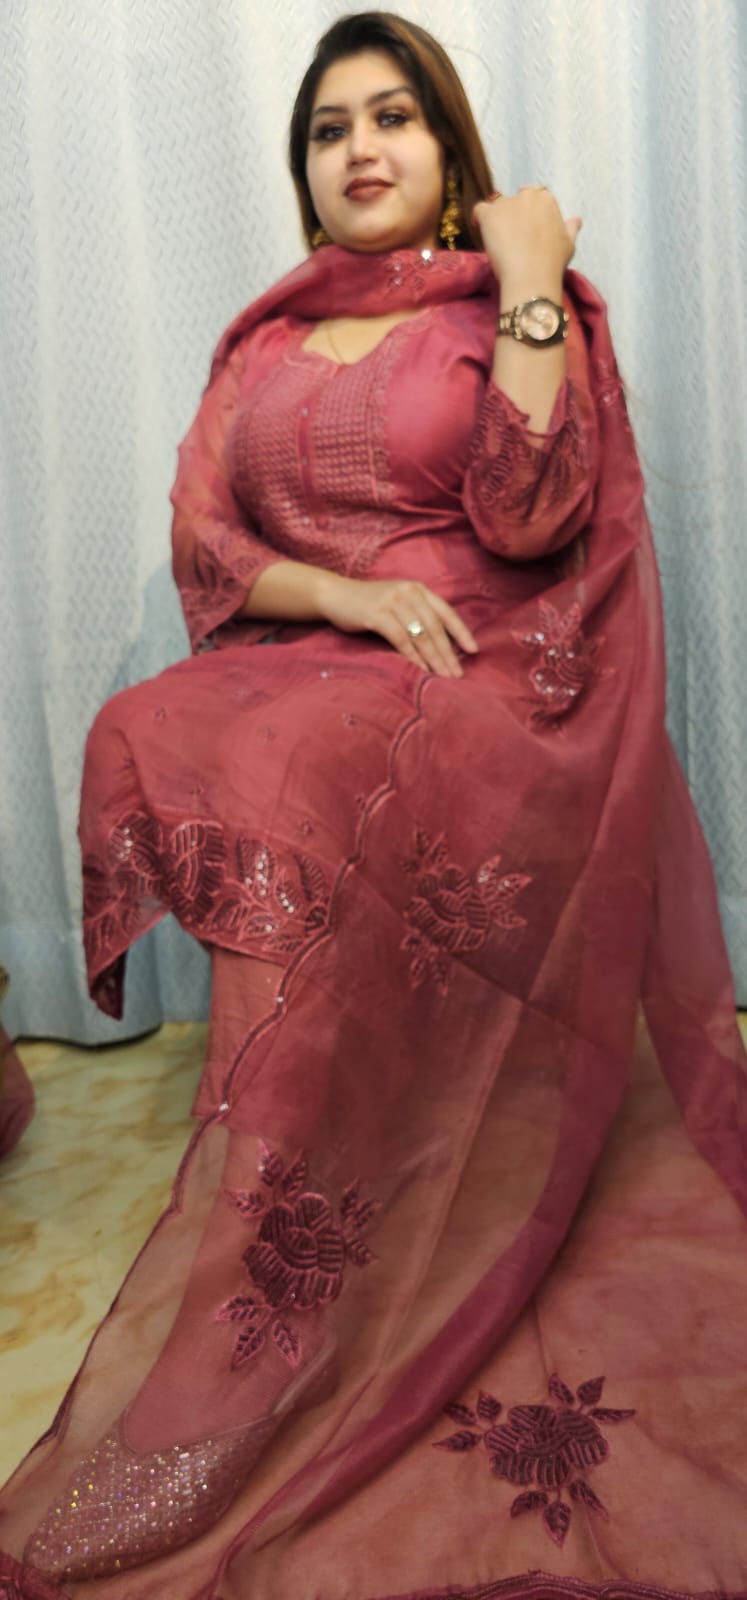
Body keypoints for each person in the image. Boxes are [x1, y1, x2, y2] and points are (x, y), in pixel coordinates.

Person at [2, 12, 746, 1598]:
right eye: (330, 126)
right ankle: (300, 1169)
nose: (360, 147)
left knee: (299, 769)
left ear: (448, 146)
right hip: (320, 654)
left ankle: (301, 1208)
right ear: (304, 169)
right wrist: (339, 595)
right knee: (152, 722)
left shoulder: (515, 305)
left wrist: (531, 274)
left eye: (394, 116)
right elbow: (208, 541)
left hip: (492, 667)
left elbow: (534, 514)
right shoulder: (267, 339)